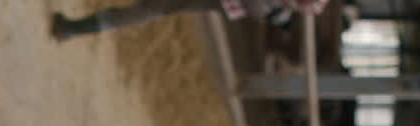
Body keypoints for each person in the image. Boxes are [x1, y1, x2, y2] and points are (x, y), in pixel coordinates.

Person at [50, 0, 329, 41]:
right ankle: (73, 28)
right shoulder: (278, 12)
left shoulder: (273, 9)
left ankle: (73, 28)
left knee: (151, 8)